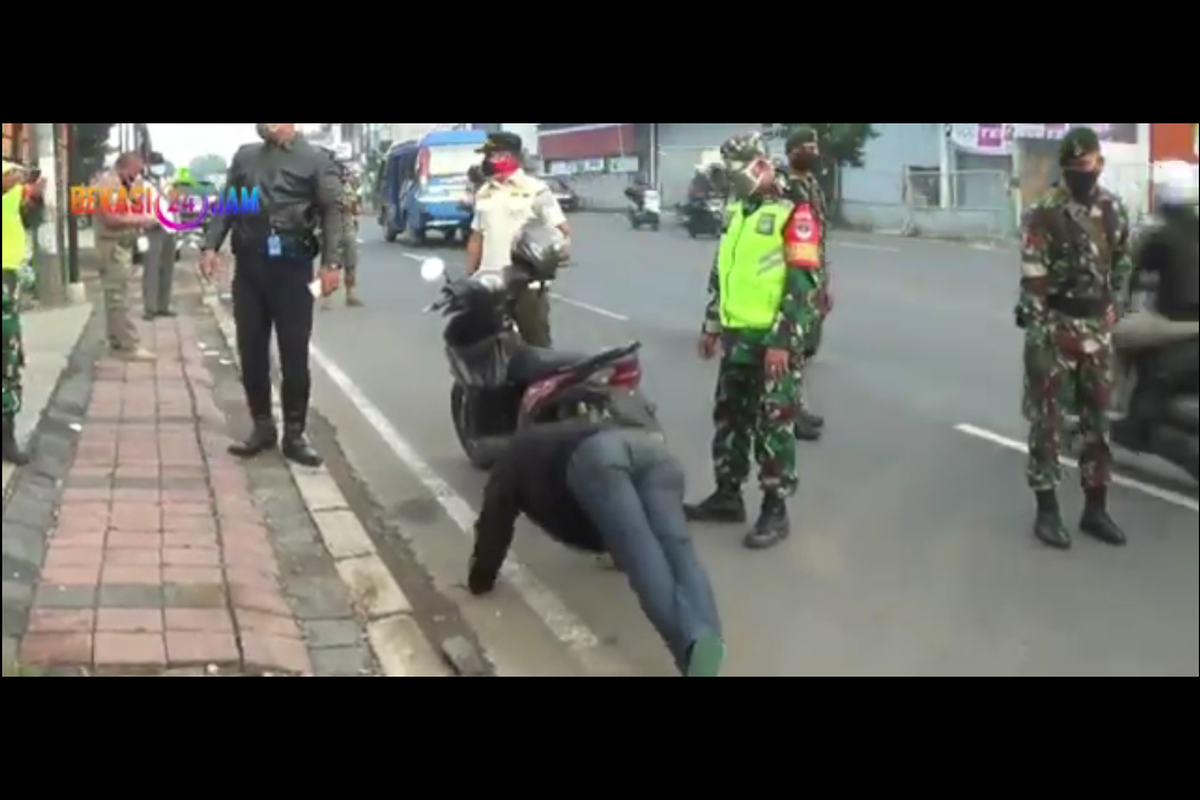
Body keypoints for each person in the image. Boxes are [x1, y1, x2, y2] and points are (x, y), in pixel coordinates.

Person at [468, 420, 726, 677]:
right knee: (680, 551)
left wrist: (481, 579)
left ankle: (691, 654)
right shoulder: (545, 434)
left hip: (600, 459)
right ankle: (708, 638)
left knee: (642, 554)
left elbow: (494, 523)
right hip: (653, 453)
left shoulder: (508, 464)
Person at [684, 133, 817, 550]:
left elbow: (802, 283)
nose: (732, 178)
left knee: (773, 424)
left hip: (772, 339)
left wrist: (782, 339)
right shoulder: (737, 210)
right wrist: (711, 324)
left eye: (738, 169)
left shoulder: (793, 210)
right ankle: (728, 495)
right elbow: (722, 272)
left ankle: (775, 509)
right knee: (730, 418)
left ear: (760, 165)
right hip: (736, 336)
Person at [199, 123, 344, 467]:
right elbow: (228, 206)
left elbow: (332, 212)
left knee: (294, 351)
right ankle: (262, 425)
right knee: (250, 349)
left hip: (292, 267)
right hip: (250, 265)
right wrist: (210, 246)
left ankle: (295, 433)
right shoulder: (246, 157)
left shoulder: (316, 160)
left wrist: (332, 263)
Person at [1016, 126, 1133, 550]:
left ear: (1099, 163)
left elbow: (1122, 263)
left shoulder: (1113, 208)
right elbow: (1033, 277)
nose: (1081, 173)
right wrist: (1043, 333)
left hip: (1096, 334)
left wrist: (1113, 306)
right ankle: (1047, 512)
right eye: (1073, 167)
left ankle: (1095, 509)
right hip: (1053, 328)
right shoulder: (1044, 212)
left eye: (1087, 165)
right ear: (1064, 168)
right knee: (1046, 424)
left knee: (1097, 425)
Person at [1116, 160, 1199, 448]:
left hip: (1178, 331)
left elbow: (1131, 276)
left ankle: (1134, 428)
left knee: (1148, 396)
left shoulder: (1160, 235)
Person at [466, 132, 568, 348]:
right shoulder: (484, 192)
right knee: (488, 347)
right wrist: (469, 278)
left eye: (491, 156)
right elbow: (477, 238)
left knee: (537, 345)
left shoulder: (536, 190)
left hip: (526, 285)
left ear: (507, 156)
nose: (487, 161)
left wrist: (552, 254)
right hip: (490, 284)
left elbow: (561, 231)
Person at [780, 128, 829, 442]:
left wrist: (825, 283)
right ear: (792, 151)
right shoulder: (784, 187)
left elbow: (820, 239)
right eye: (806, 146)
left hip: (812, 275)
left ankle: (796, 406)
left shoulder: (812, 185)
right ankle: (790, 414)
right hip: (792, 277)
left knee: (805, 348)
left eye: (814, 145)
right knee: (790, 348)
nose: (812, 150)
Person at [93, 152, 158, 361]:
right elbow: (111, 218)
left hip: (119, 246)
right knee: (118, 298)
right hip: (112, 247)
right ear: (127, 166)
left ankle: (117, 340)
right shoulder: (108, 186)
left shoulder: (119, 184)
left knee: (116, 296)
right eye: (136, 171)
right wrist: (140, 220)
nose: (138, 175)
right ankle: (127, 345)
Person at [2, 158, 45, 465]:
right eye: (11, 174)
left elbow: (34, 216)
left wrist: (37, 195)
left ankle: (6, 436)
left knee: (8, 363)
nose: (17, 179)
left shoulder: (16, 199)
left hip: (6, 283)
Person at [141, 153, 179, 320]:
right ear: (148, 165)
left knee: (167, 269)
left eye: (160, 164)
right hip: (153, 227)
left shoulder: (166, 182)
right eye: (156, 164)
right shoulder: (142, 184)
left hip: (169, 228)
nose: (159, 167)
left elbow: (174, 203)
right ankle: (150, 308)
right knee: (152, 268)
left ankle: (163, 305)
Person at [323, 158, 363, 309]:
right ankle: (325, 298)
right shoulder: (326, 188)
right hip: (331, 227)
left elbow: (356, 209)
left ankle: (350, 295)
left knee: (351, 262)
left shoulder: (349, 188)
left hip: (348, 226)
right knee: (329, 263)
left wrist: (350, 204)